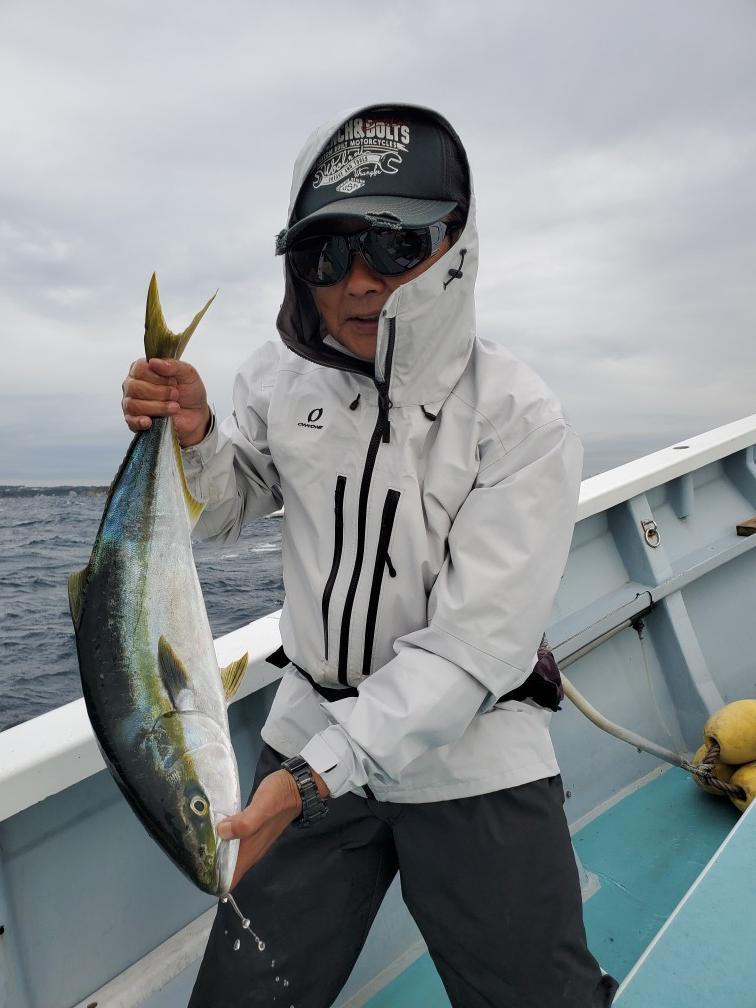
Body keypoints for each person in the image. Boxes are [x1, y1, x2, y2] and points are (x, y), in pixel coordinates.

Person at [122, 103, 618, 1008]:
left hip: (470, 753)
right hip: (310, 729)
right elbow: (233, 502)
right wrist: (194, 441)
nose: (357, 282)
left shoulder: (520, 421)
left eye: (394, 246)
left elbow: (472, 651)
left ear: (455, 244)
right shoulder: (280, 379)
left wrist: (309, 782)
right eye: (326, 254)